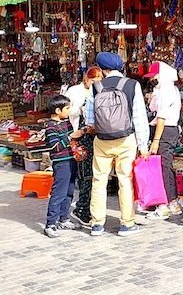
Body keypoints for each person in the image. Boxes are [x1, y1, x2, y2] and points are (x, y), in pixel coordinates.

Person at [85, 52, 150, 237]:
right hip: (126, 140)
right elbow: (139, 117)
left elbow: (89, 119)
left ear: (102, 69)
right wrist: (143, 144)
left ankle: (97, 224)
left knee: (98, 181)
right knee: (125, 180)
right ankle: (126, 224)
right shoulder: (132, 85)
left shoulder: (96, 86)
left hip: (103, 141)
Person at [64, 66, 104, 228]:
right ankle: (82, 208)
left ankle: (85, 207)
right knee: (85, 176)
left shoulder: (100, 91)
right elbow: (64, 111)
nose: (95, 84)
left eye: (97, 82)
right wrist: (78, 109)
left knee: (92, 176)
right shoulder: (74, 91)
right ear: (86, 79)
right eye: (92, 81)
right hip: (80, 137)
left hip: (93, 137)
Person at [142, 61, 183, 220]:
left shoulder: (166, 91)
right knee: (166, 166)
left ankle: (163, 205)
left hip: (164, 130)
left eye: (155, 76)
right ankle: (171, 202)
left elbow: (161, 117)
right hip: (168, 130)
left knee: (161, 168)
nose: (154, 80)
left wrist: (156, 140)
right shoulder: (167, 90)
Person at [43, 95, 84, 238]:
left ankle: (64, 218)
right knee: (58, 193)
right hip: (61, 164)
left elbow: (72, 140)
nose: (69, 110)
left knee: (69, 191)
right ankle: (50, 224)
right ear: (58, 110)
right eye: (67, 108)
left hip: (72, 160)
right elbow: (54, 147)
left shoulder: (66, 123)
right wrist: (71, 136)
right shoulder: (50, 127)